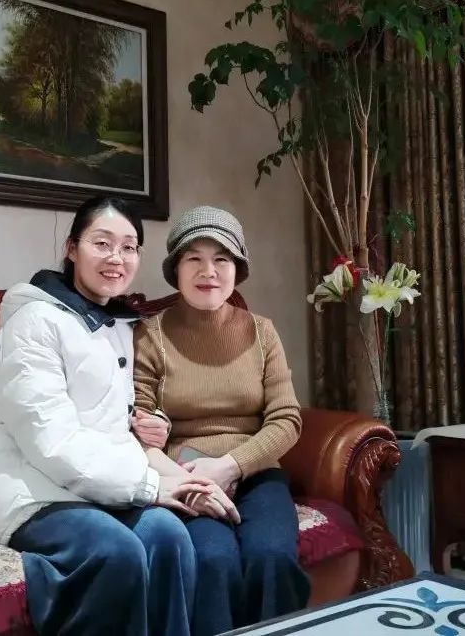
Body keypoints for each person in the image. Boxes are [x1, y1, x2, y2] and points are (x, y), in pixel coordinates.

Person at [0, 196, 223, 636]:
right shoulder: (34, 324)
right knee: (115, 552)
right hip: (22, 491)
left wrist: (167, 451)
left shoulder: (116, 325)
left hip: (86, 486)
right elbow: (51, 443)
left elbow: (110, 427)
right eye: (102, 243)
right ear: (72, 248)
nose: (117, 258)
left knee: (169, 536)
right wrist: (151, 486)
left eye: (129, 247)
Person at [132, 205, 311, 636]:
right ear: (176, 269)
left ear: (237, 269)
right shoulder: (150, 335)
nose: (208, 271)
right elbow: (137, 428)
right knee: (213, 560)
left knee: (272, 557)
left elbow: (287, 419)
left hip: (257, 473)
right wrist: (189, 479)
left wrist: (230, 466)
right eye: (193, 258)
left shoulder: (262, 332)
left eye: (221, 258)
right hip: (186, 477)